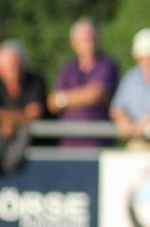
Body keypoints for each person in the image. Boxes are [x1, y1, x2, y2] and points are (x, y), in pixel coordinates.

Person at [47, 18, 119, 147]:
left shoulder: (107, 65)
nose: (88, 42)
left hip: (97, 142)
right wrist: (83, 96)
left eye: (91, 37)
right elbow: (52, 103)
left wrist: (63, 99)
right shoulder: (68, 68)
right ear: (74, 43)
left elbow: (96, 95)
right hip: (69, 143)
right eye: (84, 39)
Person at [0, 41, 45, 175]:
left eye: (16, 64)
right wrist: (16, 118)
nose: (13, 69)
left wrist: (7, 119)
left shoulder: (34, 80)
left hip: (35, 146)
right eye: (9, 66)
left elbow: (35, 112)